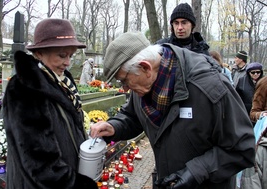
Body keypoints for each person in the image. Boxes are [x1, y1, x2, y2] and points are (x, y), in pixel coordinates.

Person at [90, 32, 255, 189]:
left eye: (124, 80)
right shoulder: (142, 86)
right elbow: (132, 116)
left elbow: (243, 148)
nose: (125, 89)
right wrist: (114, 127)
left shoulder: (210, 88)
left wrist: (196, 172)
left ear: (145, 68)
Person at [3, 18, 98, 189]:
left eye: (70, 55)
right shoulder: (25, 88)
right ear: (39, 53)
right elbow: (39, 161)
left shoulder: (61, 81)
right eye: (62, 55)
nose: (68, 62)